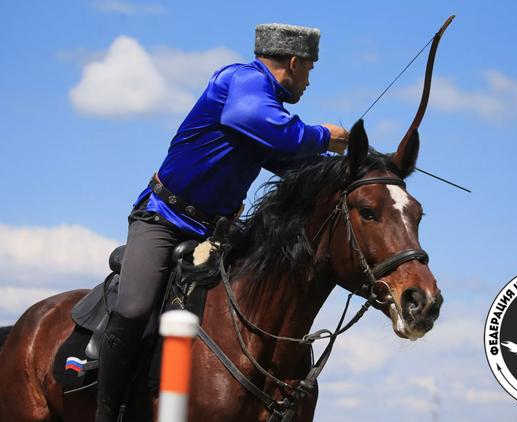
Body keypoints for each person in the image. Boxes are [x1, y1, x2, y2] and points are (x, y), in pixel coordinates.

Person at [95, 23, 350, 421]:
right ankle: (106, 415)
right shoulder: (243, 81)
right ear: (295, 63)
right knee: (134, 307)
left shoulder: (269, 113)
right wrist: (322, 135)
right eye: (310, 71)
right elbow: (260, 122)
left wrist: (352, 171)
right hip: (163, 220)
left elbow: (293, 164)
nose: (308, 82)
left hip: (216, 235)